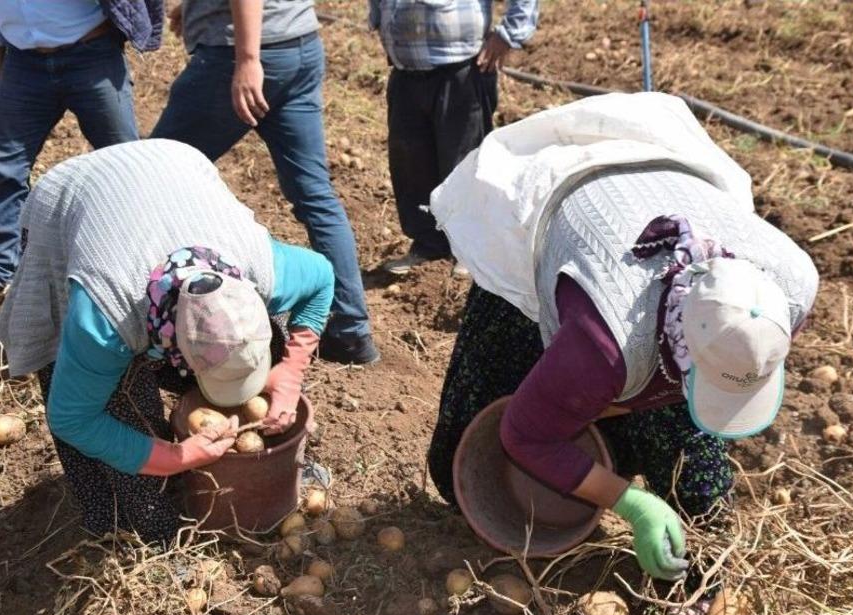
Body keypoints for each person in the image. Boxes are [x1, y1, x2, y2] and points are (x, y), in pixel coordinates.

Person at [427, 93, 819, 581]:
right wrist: (630, 503)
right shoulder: (606, 343)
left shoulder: (794, 280)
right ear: (681, 348)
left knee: (697, 482)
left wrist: (626, 407)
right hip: (549, 212)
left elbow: (744, 347)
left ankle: (699, 571)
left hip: (670, 186)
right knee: (489, 405)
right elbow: (522, 434)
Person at [0, 139, 335, 544]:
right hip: (72, 196)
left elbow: (323, 279)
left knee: (279, 340)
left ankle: (260, 473)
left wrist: (291, 372)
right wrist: (179, 457)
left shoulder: (262, 267)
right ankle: (136, 526)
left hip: (172, 164)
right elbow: (71, 418)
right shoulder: (104, 320)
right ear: (175, 347)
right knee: (116, 403)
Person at [152, 1, 379, 366]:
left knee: (153, 174)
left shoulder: (245, 58)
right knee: (314, 194)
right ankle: (350, 331)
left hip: (242, 55)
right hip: (298, 44)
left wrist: (247, 59)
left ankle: (150, 316)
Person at [0, 0, 164, 312]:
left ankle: (148, 264)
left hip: (92, 55)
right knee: (5, 166)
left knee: (125, 163)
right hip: (23, 65)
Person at [369, 0, 539, 277]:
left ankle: (471, 250)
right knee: (411, 162)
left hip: (462, 65)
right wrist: (380, 18)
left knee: (463, 162)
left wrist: (509, 34)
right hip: (405, 68)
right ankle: (428, 244)